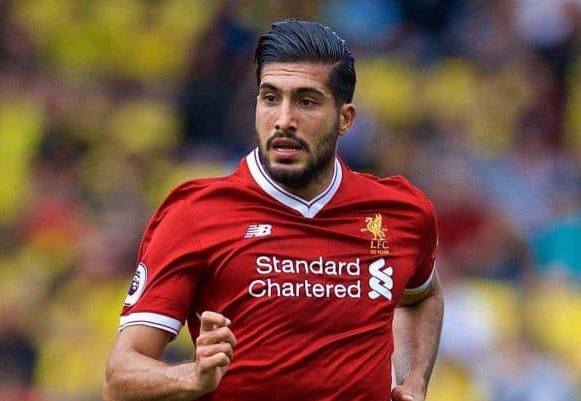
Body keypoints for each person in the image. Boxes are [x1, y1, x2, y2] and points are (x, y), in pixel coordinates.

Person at [103, 19, 444, 401]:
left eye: (306, 101)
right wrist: (190, 377)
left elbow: (422, 295)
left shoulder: (400, 213)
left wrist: (413, 379)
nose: (283, 120)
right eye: (270, 98)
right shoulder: (195, 214)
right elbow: (120, 377)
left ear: (345, 119)